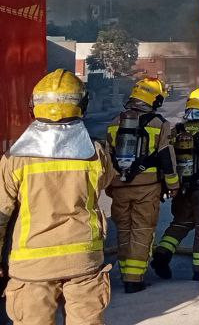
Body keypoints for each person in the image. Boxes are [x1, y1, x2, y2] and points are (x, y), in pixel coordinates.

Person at [0, 69, 114, 325]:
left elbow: (1, 215)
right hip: (83, 259)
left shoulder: (14, 158)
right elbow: (106, 181)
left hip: (32, 266)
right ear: (82, 105)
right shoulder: (96, 152)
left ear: (33, 107)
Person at [106, 77, 178, 293]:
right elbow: (166, 157)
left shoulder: (115, 122)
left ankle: (126, 273)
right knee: (142, 230)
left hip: (119, 186)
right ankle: (134, 279)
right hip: (147, 187)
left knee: (123, 230)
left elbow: (107, 157)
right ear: (155, 100)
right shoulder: (160, 124)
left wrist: (110, 184)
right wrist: (173, 184)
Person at [151, 88, 199, 281]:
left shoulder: (176, 131)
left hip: (181, 190)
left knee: (179, 224)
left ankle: (162, 254)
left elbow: (166, 158)